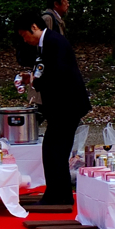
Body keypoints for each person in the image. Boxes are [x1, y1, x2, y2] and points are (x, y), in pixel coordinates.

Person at [14, 11, 91, 205]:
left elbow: (57, 75)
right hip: (61, 105)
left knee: (54, 150)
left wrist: (33, 80)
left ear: (34, 27)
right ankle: (60, 193)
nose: (25, 40)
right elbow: (46, 72)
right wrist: (31, 78)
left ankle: (58, 195)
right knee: (54, 150)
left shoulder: (54, 42)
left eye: (25, 35)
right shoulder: (46, 44)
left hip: (67, 105)